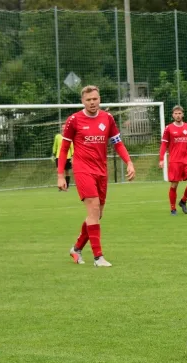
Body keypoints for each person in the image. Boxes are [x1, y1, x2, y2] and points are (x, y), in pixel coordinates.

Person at [57, 85, 135, 267]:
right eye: (88, 100)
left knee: (97, 214)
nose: (92, 102)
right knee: (93, 207)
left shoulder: (107, 118)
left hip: (101, 170)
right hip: (82, 168)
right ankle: (98, 257)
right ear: (82, 101)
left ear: (99, 99)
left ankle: (76, 249)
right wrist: (61, 175)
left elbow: (118, 143)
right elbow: (64, 149)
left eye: (95, 99)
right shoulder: (74, 120)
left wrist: (129, 162)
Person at [159, 105, 187, 215]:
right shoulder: (168, 128)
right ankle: (173, 208)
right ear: (173, 115)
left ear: (183, 114)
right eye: (176, 113)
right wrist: (161, 159)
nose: (178, 115)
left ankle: (183, 201)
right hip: (175, 160)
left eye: (179, 113)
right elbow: (164, 144)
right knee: (174, 185)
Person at [52, 124, 74, 191]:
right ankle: (61, 186)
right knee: (59, 171)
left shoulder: (69, 136)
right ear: (61, 128)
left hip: (68, 157)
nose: (64, 128)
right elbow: (55, 145)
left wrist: (73, 155)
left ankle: (66, 187)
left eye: (65, 127)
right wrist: (53, 153)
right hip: (59, 156)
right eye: (62, 127)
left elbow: (71, 146)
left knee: (67, 172)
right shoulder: (57, 136)